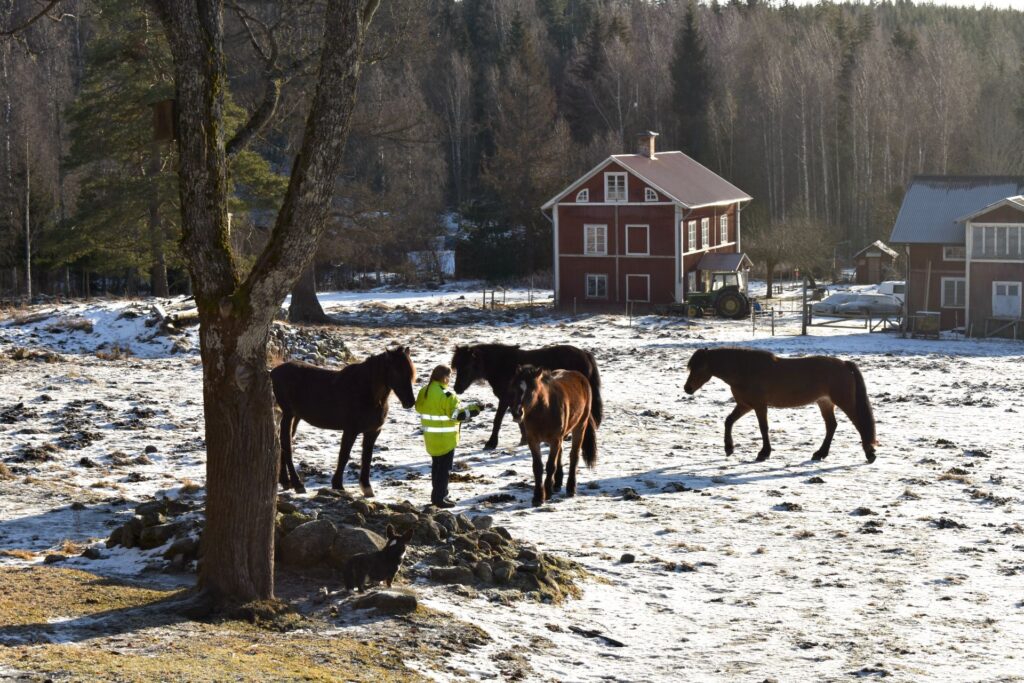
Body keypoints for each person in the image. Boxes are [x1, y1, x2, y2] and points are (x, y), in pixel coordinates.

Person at [415, 365, 481, 508]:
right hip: (445, 439)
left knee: (436, 467)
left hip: (431, 438)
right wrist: (474, 411)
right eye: (449, 377)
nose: (450, 380)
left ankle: (437, 496)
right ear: (445, 377)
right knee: (444, 470)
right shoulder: (447, 395)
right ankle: (440, 499)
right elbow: (457, 416)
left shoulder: (424, 391)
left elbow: (419, 408)